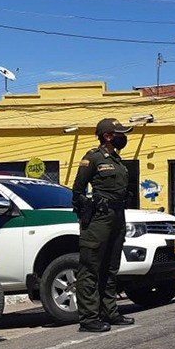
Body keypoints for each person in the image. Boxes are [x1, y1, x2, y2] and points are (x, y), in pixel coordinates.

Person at [72, 118, 136, 333]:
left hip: (118, 216)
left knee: (110, 267)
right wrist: (88, 212)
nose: (123, 137)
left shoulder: (117, 159)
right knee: (90, 267)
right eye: (119, 133)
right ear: (107, 136)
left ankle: (109, 311)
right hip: (99, 218)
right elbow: (78, 190)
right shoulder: (92, 158)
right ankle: (89, 318)